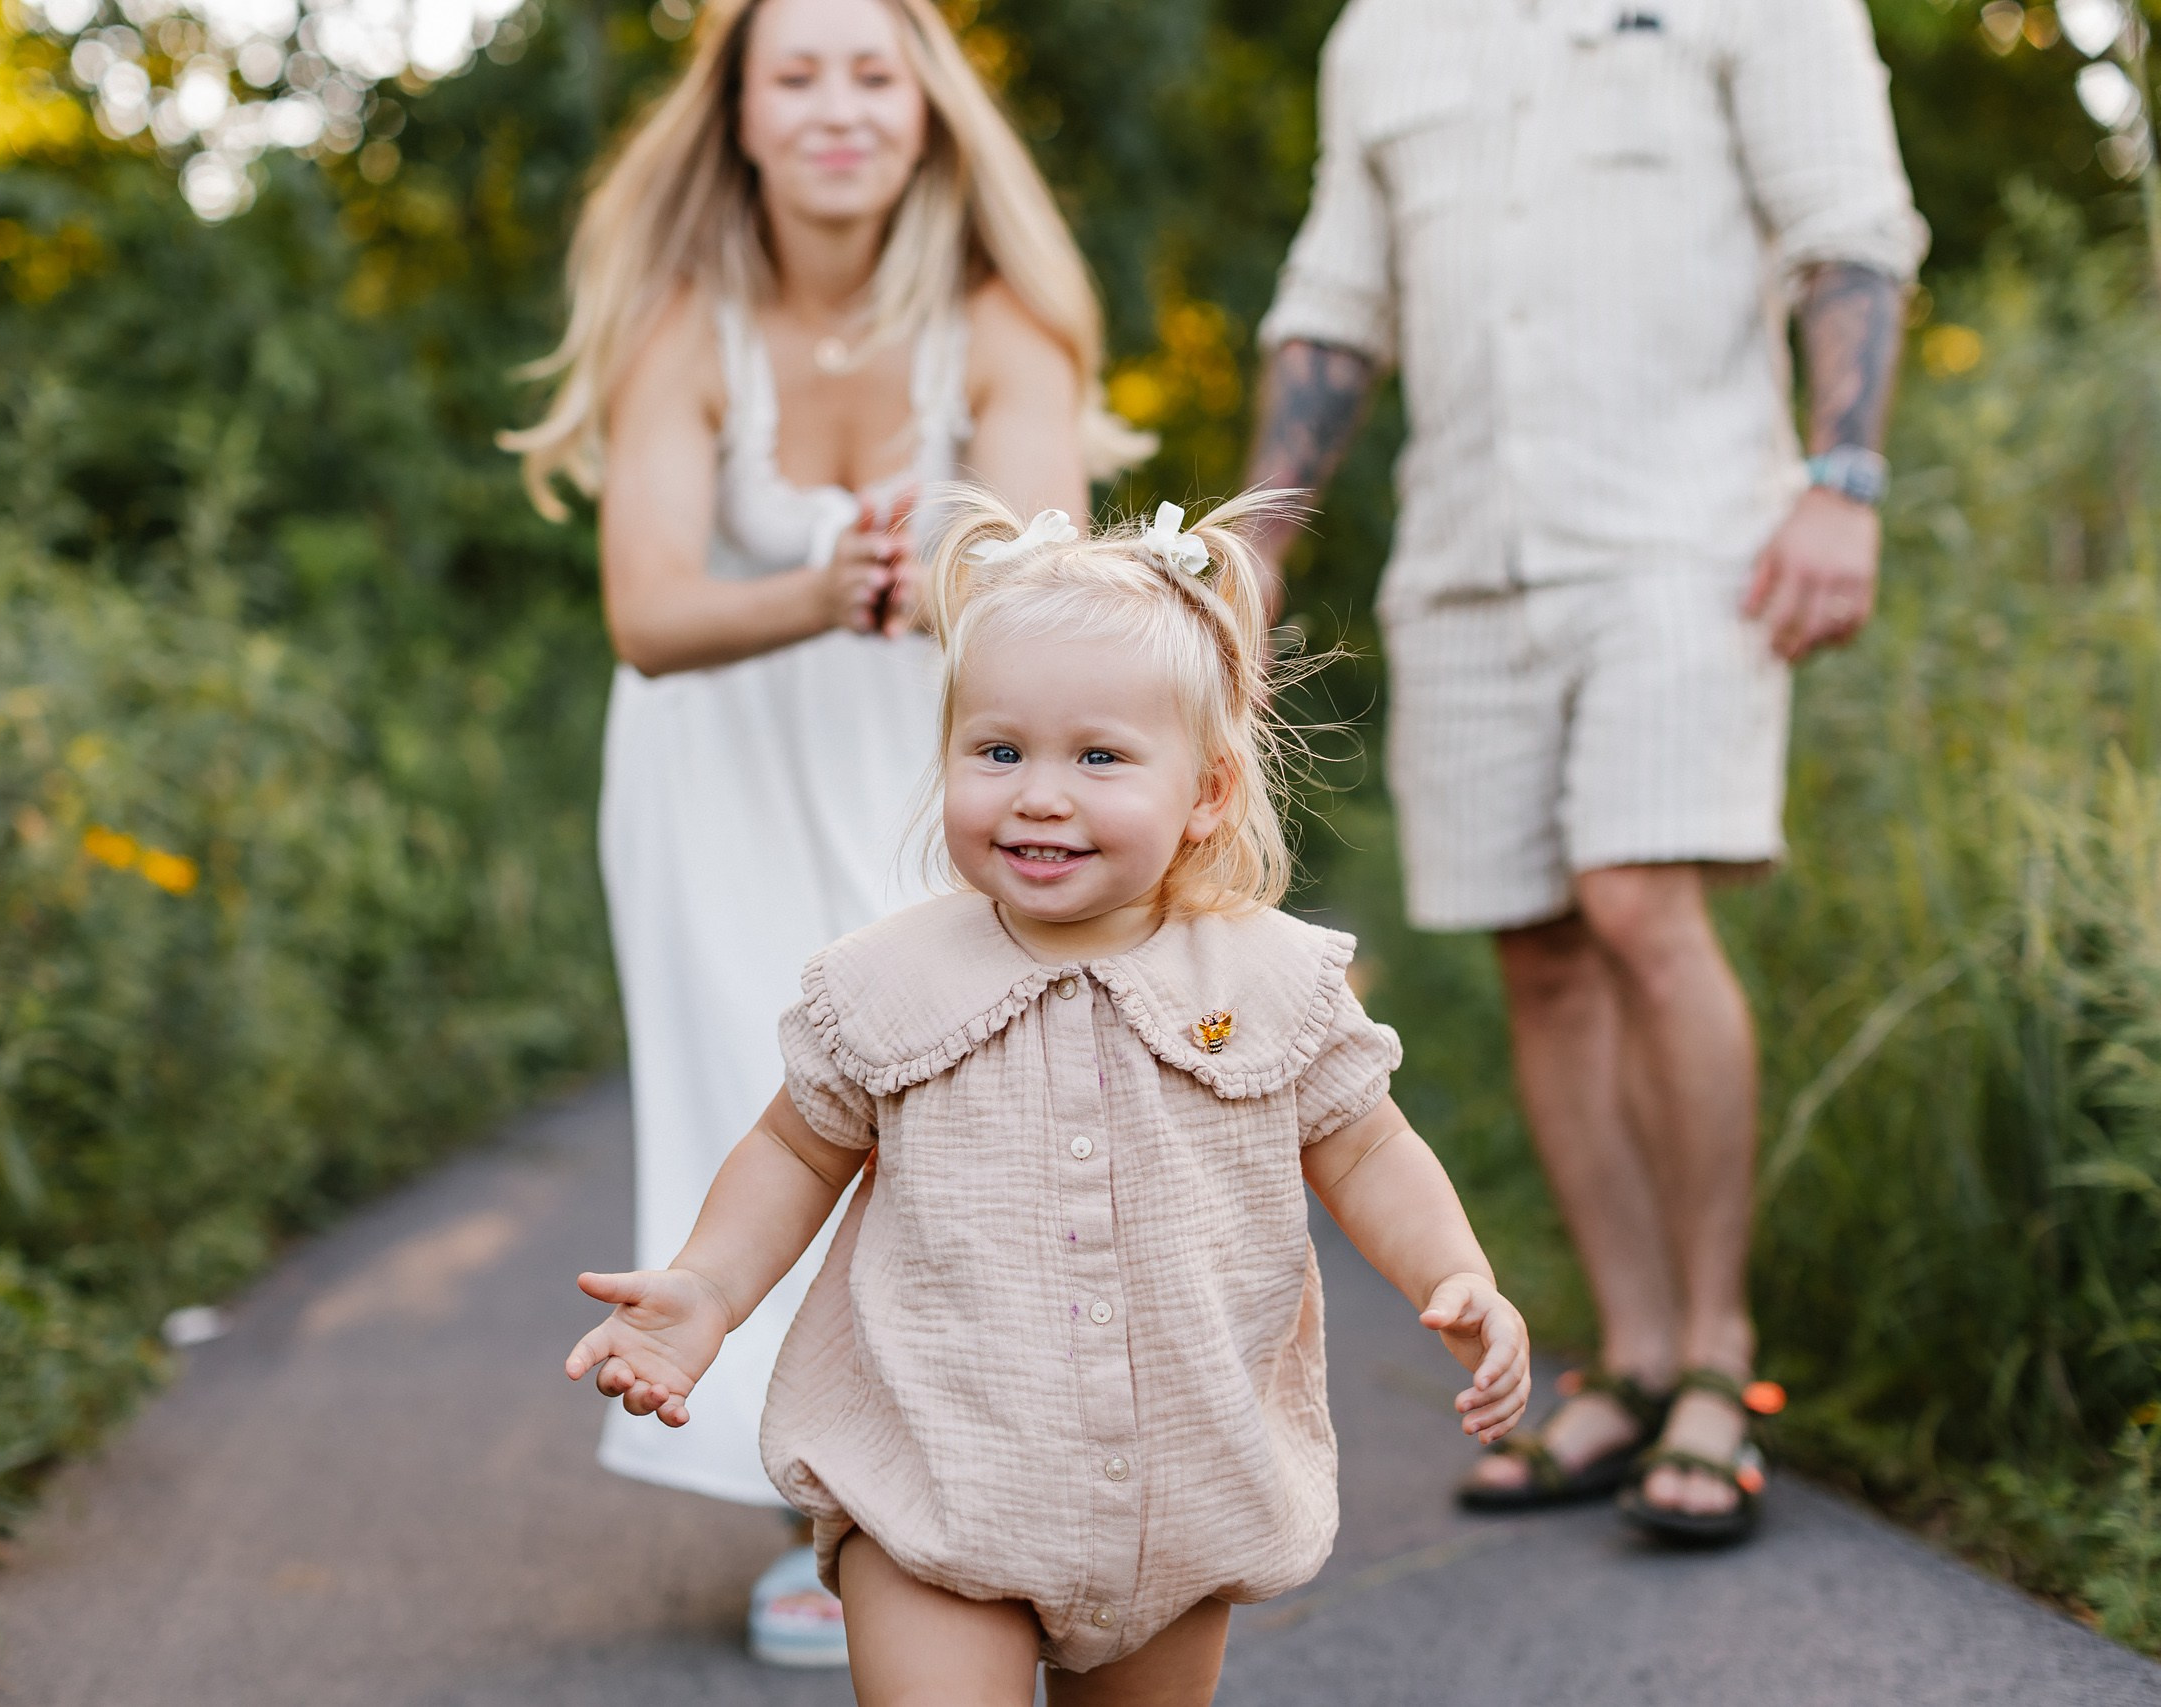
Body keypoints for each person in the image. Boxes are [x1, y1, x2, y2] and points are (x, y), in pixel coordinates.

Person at [561, 491, 1533, 1707]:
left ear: (1209, 792)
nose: (1038, 793)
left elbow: (1366, 1145)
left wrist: (1456, 1273)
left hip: (1173, 1498)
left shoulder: (1271, 981)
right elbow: (793, 1151)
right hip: (935, 1480)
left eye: (1100, 757)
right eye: (999, 750)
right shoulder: (885, 983)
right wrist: (706, 1288)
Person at [502, 0, 1143, 1663]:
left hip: (934, 751)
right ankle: (834, 1512)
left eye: (875, 70)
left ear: (926, 105)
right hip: (717, 751)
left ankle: (976, 1480)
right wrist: (821, 584)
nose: (841, 106)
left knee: (955, 1092)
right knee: (766, 1092)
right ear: (741, 111)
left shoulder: (1009, 324)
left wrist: (930, 587)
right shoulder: (680, 324)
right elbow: (647, 610)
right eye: (800, 74)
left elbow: (1042, 589)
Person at [1238, 0, 1927, 1543]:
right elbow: (1335, 307)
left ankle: (1717, 1357)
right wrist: (1258, 545)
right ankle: (1626, 1360)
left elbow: (1850, 237)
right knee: (1540, 954)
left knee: (1637, 900)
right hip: (1467, 561)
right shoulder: (1383, 37)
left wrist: (1844, 480)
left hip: (1687, 540)